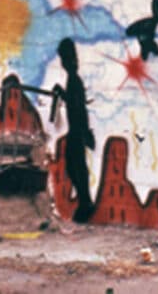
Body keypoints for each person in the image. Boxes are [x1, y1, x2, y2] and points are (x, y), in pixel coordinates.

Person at [53, 38, 95, 222]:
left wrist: (83, 132)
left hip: (77, 131)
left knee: (76, 167)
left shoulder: (74, 80)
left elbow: (77, 107)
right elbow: (75, 103)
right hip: (76, 130)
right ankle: (85, 202)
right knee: (75, 167)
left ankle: (86, 203)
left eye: (64, 57)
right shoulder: (73, 80)